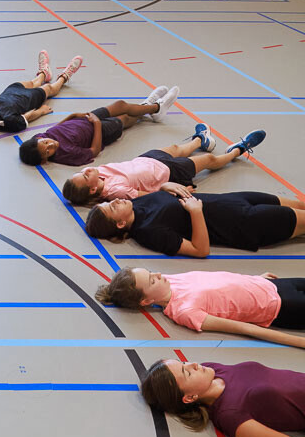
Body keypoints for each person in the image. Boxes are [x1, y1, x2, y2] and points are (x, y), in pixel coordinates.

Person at [95, 267, 305, 348]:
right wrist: (298, 342)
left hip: (274, 285)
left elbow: (219, 280)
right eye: (152, 281)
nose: (158, 275)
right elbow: (246, 328)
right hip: (282, 306)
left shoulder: (169, 280)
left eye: (152, 273)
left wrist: (253, 279)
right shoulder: (185, 311)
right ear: (146, 301)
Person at [141, 360, 305, 437]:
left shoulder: (212, 369)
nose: (193, 364)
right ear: (190, 397)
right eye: (187, 372)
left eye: (183, 363)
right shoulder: (231, 416)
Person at [62, 129, 266, 205]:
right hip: (168, 173)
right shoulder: (115, 190)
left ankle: (200, 140)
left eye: (82, 171)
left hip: (148, 159)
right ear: (92, 189)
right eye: (86, 175)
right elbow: (146, 195)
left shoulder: (101, 174)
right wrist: (176, 192)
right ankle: (237, 150)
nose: (87, 169)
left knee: (178, 147)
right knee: (209, 160)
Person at [83, 190, 305, 257]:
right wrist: (196, 213)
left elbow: (164, 197)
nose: (117, 201)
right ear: (120, 224)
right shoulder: (149, 232)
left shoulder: (135, 203)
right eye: (112, 207)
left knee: (300, 205)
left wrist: (166, 184)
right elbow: (201, 250)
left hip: (233, 199)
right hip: (244, 223)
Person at [18, 88, 181, 166]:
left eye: (46, 142)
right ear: (45, 159)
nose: (51, 144)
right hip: (100, 131)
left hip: (86, 119)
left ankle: (147, 105)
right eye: (48, 151)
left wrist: (72, 116)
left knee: (121, 104)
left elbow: (54, 130)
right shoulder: (65, 155)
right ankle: (155, 108)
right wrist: (96, 123)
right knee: (124, 118)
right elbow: (93, 151)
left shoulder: (37, 140)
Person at [0, 50, 83, 137]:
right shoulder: (8, 122)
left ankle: (43, 73)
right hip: (29, 99)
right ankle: (64, 76)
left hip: (12, 90)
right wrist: (41, 111)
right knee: (48, 88)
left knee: (33, 82)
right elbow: (26, 118)